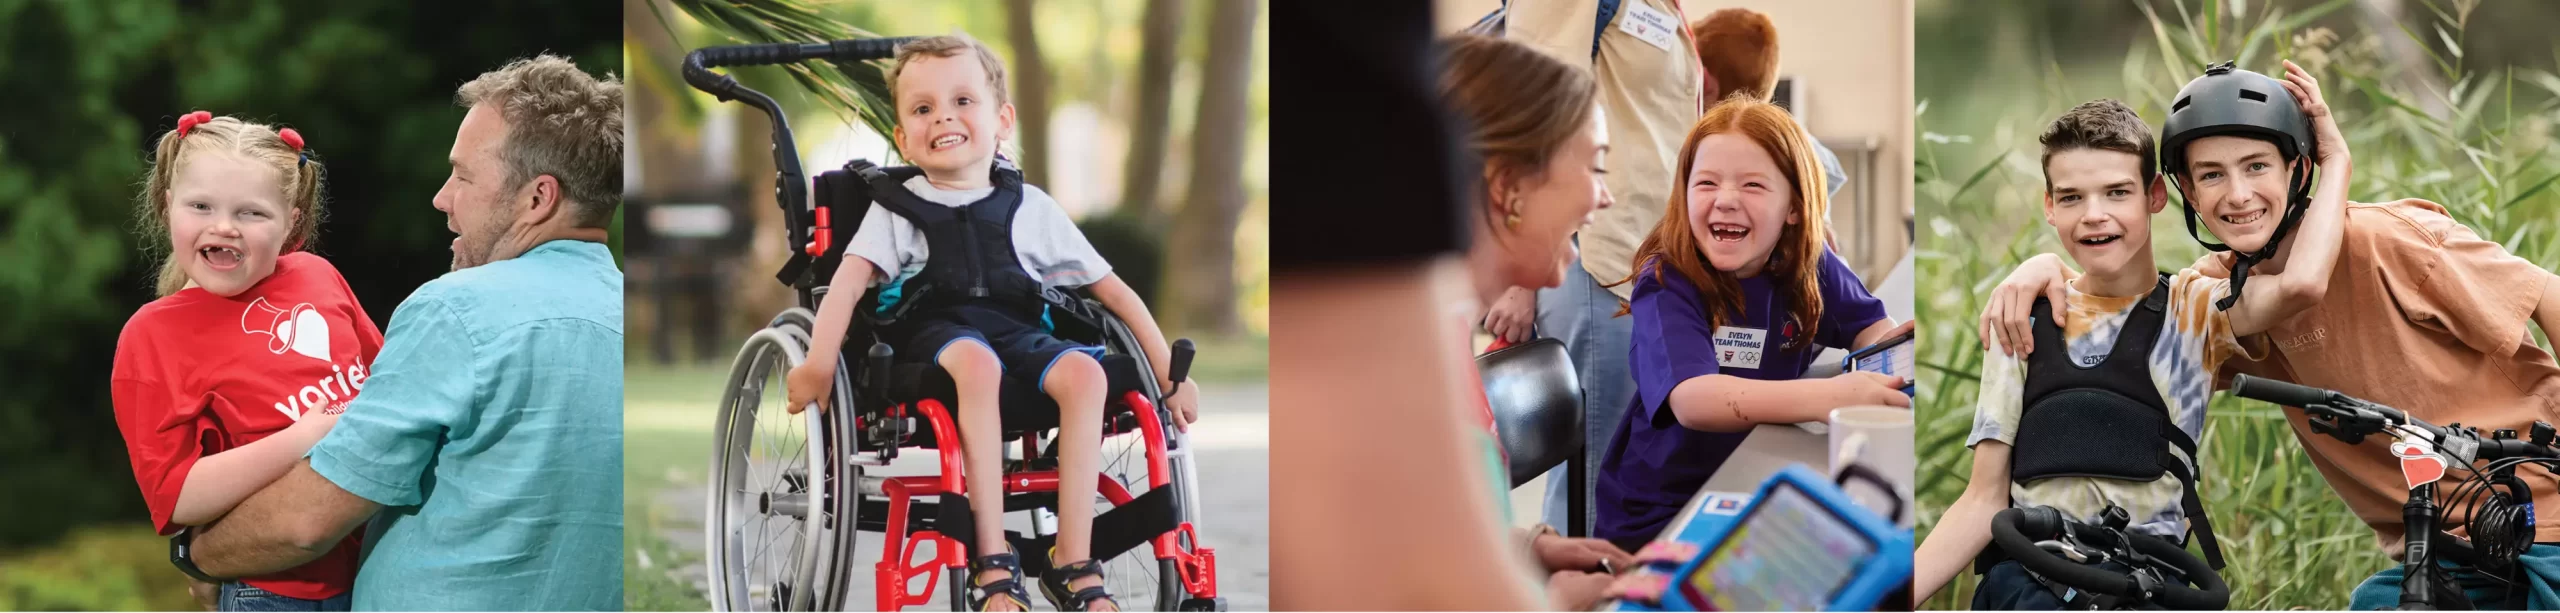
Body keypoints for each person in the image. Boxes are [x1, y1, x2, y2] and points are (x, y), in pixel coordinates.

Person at [1983, 61, 2560, 609]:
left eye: (2257, 166)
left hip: (2543, 510)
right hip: (2446, 548)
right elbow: (2122, 302)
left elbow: (2549, 299)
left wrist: (2338, 160)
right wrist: (2041, 268)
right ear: (2185, 192)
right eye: (2212, 175)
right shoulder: (2215, 298)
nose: (2237, 194)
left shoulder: (2387, 240)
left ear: (2299, 170)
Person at [182, 55, 626, 611]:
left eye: (463, 176)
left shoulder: (457, 312)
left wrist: (199, 555)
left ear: (538, 199)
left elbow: (305, 523)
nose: (442, 197)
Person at [777, 33, 1199, 613]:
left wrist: (1169, 375)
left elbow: (1114, 293)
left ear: (1002, 120)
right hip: (933, 335)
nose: (943, 117)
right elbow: (847, 284)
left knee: (1087, 376)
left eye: (962, 101)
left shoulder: (1031, 207)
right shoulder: (895, 207)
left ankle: (1073, 562)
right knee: (977, 365)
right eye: (923, 108)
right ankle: (992, 561)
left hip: (1019, 332)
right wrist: (820, 364)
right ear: (903, 138)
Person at [1917, 74, 2351, 607]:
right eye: (2072, 197)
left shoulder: (2197, 310)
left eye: (2117, 192)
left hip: (2144, 585)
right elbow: (1982, 499)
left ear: (2155, 196)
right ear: (2049, 206)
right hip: (2029, 585)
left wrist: (2336, 160)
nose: (2094, 215)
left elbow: (2302, 284)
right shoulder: (2022, 317)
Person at [1273, 31, 1628, 611]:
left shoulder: (1436, 332)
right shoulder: (1396, 361)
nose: (1605, 197)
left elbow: (1396, 536)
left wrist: (1525, 548)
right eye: (1596, 166)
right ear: (1508, 187)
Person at [1590, 95, 1912, 553]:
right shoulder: (1667, 281)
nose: (1725, 200)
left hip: (1760, 484)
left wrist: (1893, 348)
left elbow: (1871, 325)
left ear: (1794, 207)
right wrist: (1828, 397)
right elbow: (1694, 399)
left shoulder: (1807, 261)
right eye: (1706, 183)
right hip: (1664, 515)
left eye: (1753, 185)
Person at [111, 111, 372, 611]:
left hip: (384, 566)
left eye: (252, 213)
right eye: (201, 206)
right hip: (276, 592)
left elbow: (389, 386)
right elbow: (174, 496)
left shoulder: (317, 276)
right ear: (168, 205)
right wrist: (300, 439)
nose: (224, 226)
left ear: (291, 222)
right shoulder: (152, 336)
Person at [1483, 0, 1705, 539]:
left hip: (1648, 260)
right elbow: (1532, 110)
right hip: (1596, 260)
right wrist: (1521, 276)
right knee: (1597, 480)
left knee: (1628, 466)